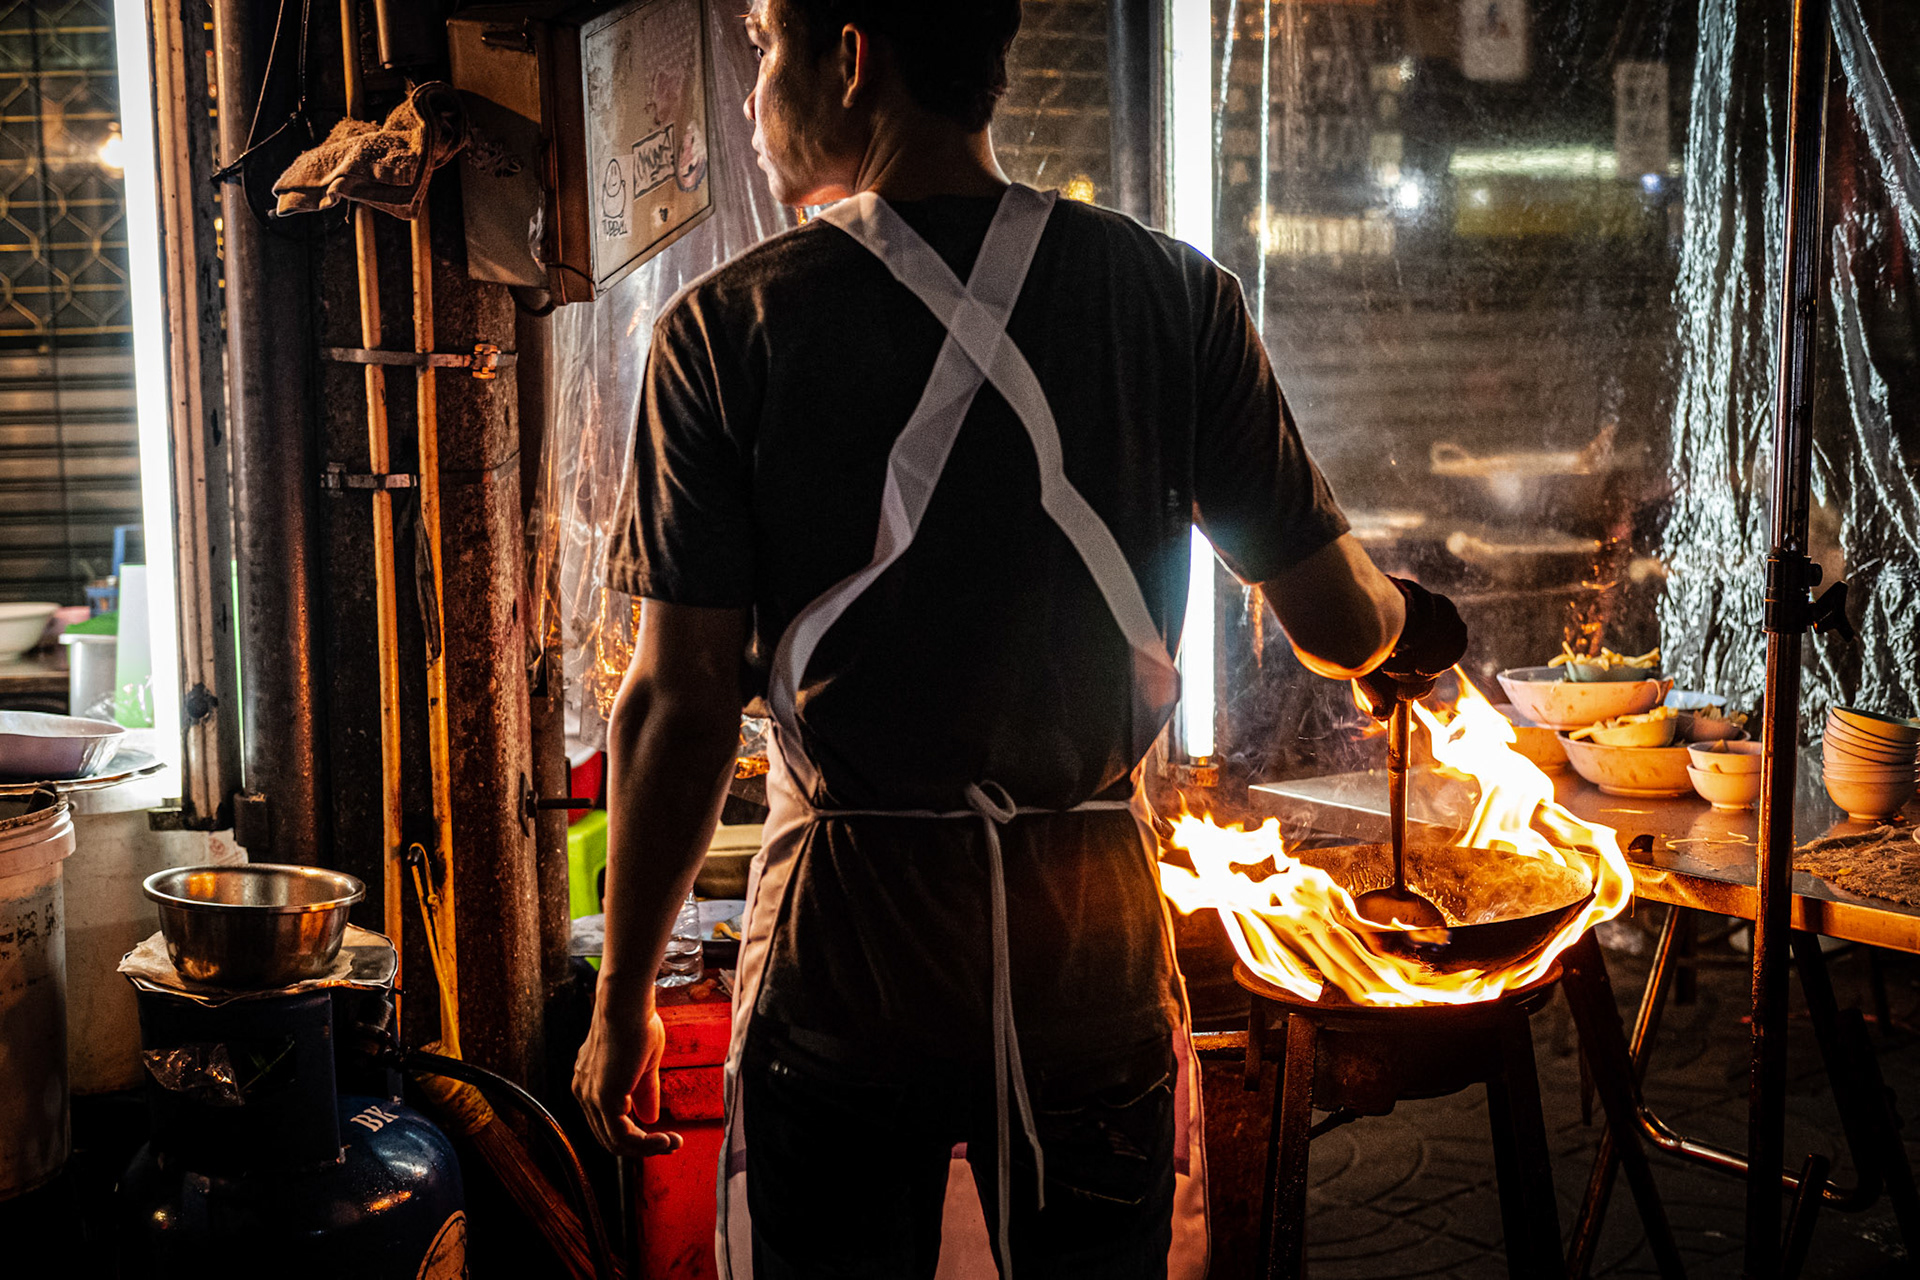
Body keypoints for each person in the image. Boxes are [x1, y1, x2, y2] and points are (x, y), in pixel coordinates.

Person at [570, 2, 1467, 1277]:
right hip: (1084, 963)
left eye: (769, 44)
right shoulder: (1175, 298)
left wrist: (624, 1006)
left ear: (853, 52)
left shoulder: (726, 332)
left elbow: (680, 706)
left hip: (846, 967)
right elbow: (1337, 620)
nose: (758, 83)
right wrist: (1413, 625)